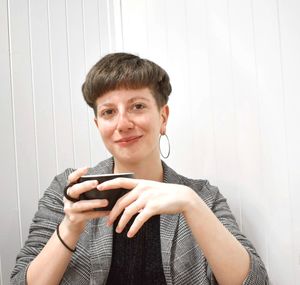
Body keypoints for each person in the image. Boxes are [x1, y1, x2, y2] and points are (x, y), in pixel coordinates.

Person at [11, 52, 269, 285]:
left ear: (163, 117)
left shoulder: (202, 197)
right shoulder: (69, 191)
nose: (122, 124)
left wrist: (191, 204)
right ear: (97, 124)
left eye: (137, 106)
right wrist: (70, 227)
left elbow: (255, 282)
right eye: (109, 112)